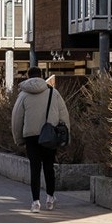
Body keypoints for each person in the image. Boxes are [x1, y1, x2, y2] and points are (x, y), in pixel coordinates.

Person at [11, 67, 70, 212]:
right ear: (42, 76)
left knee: (35, 169)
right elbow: (64, 116)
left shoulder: (23, 95)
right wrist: (65, 137)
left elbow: (16, 119)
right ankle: (50, 199)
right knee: (49, 168)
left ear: (28, 77)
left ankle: (35, 202)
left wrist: (18, 139)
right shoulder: (53, 92)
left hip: (31, 137)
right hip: (50, 135)